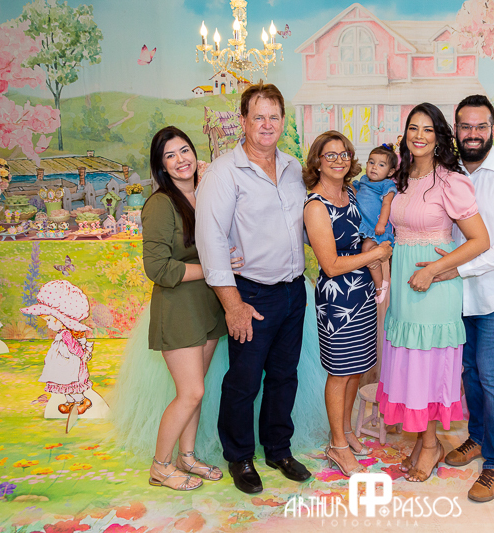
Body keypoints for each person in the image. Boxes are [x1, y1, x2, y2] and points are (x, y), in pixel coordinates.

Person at [195, 82, 311, 494]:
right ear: (242, 121)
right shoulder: (223, 173)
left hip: (294, 291)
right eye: (258, 116)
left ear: (283, 121)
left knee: (284, 376)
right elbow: (210, 240)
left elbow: (308, 225)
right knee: (244, 381)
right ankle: (240, 456)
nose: (266, 124)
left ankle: (279, 449)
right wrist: (233, 304)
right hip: (252, 294)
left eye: (273, 117)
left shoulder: (294, 168)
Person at [419, 95, 494, 502]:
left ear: (492, 129)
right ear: (455, 129)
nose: (472, 134)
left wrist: (458, 268)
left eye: (480, 127)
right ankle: (478, 438)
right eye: (465, 127)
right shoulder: (445, 173)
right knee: (467, 372)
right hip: (454, 296)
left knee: (491, 375)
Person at [376, 102, 490, 483]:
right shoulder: (403, 176)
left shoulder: (450, 181)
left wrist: (434, 270)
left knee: (425, 366)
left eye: (428, 129)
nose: (419, 135)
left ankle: (430, 445)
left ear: (439, 136)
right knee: (409, 364)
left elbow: (480, 240)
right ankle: (422, 441)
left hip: (433, 286)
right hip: (405, 286)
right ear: (405, 134)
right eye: (413, 128)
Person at [139, 126, 246, 491]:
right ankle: (160, 466)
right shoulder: (160, 204)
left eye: (184, 150)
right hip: (178, 308)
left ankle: (186, 457)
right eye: (170, 155)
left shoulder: (205, 194)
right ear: (161, 166)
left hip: (208, 305)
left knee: (195, 390)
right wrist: (216, 267)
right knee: (191, 392)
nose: (180, 160)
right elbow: (158, 268)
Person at [303, 131, 393, 477]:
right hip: (337, 300)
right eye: (330, 155)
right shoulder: (315, 206)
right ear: (317, 161)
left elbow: (364, 234)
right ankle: (337, 446)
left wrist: (374, 259)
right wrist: (375, 255)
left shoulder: (351, 192)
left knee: (357, 367)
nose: (339, 160)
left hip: (363, 293)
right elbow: (330, 265)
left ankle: (344, 431)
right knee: (340, 372)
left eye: (344, 154)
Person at [21, 280, 95, 416]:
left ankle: (82, 401)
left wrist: (82, 354)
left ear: (60, 320)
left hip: (70, 366)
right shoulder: (62, 334)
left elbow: (74, 347)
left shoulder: (66, 334)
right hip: (63, 365)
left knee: (71, 384)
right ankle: (70, 403)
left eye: (49, 320)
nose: (47, 324)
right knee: (64, 384)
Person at [353, 144, 398, 303]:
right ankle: (381, 282)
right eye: (371, 162)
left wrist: (381, 223)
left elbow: (386, 205)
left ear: (390, 172)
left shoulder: (386, 185)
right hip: (367, 226)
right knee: (367, 251)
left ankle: (380, 285)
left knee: (367, 249)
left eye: (381, 165)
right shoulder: (364, 181)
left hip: (378, 227)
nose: (374, 167)